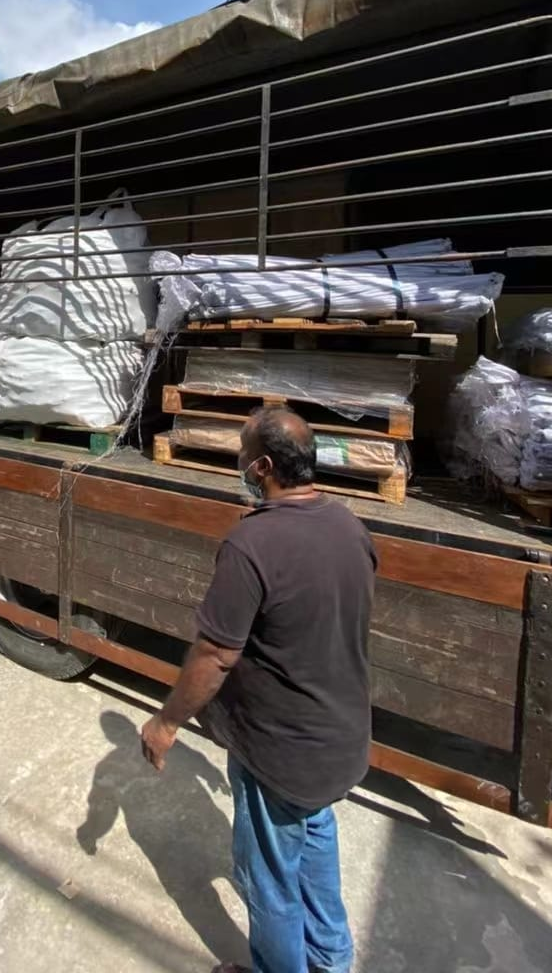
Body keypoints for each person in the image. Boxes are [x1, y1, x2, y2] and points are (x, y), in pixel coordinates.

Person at [141, 407, 376, 973]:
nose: (239, 461)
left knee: (268, 880)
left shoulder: (254, 543)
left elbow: (216, 653)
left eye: (243, 453)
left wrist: (167, 721)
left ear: (264, 467)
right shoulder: (350, 526)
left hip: (280, 754)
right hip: (338, 745)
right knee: (315, 843)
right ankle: (331, 962)